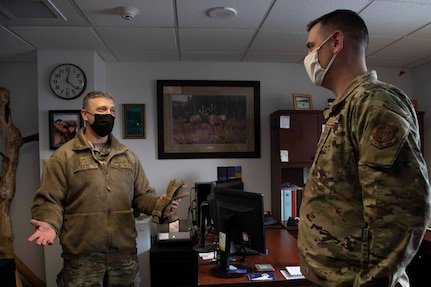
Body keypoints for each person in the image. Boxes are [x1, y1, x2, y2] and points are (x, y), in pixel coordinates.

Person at [298, 9, 430, 287]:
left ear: (336, 42)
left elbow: (400, 213)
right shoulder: (345, 108)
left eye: (311, 47)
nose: (308, 58)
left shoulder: (375, 104)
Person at [28, 91, 188, 286]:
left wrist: (160, 203)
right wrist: (50, 224)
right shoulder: (64, 157)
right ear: (85, 115)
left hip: (123, 255)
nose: (108, 115)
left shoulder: (127, 156)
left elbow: (141, 196)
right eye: (101, 110)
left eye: (112, 111)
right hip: (82, 258)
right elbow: (50, 200)